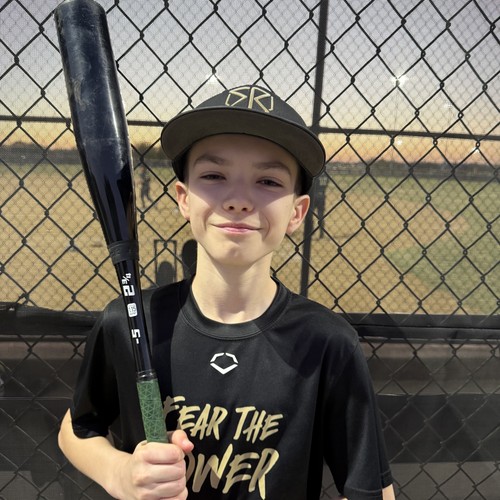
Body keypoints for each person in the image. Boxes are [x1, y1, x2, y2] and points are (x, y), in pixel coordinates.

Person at [58, 84, 395, 500]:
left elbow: (372, 491)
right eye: (214, 176)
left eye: (268, 180)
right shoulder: (130, 321)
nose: (238, 200)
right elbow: (78, 427)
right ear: (184, 198)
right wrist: (120, 473)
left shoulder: (327, 342)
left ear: (297, 212)